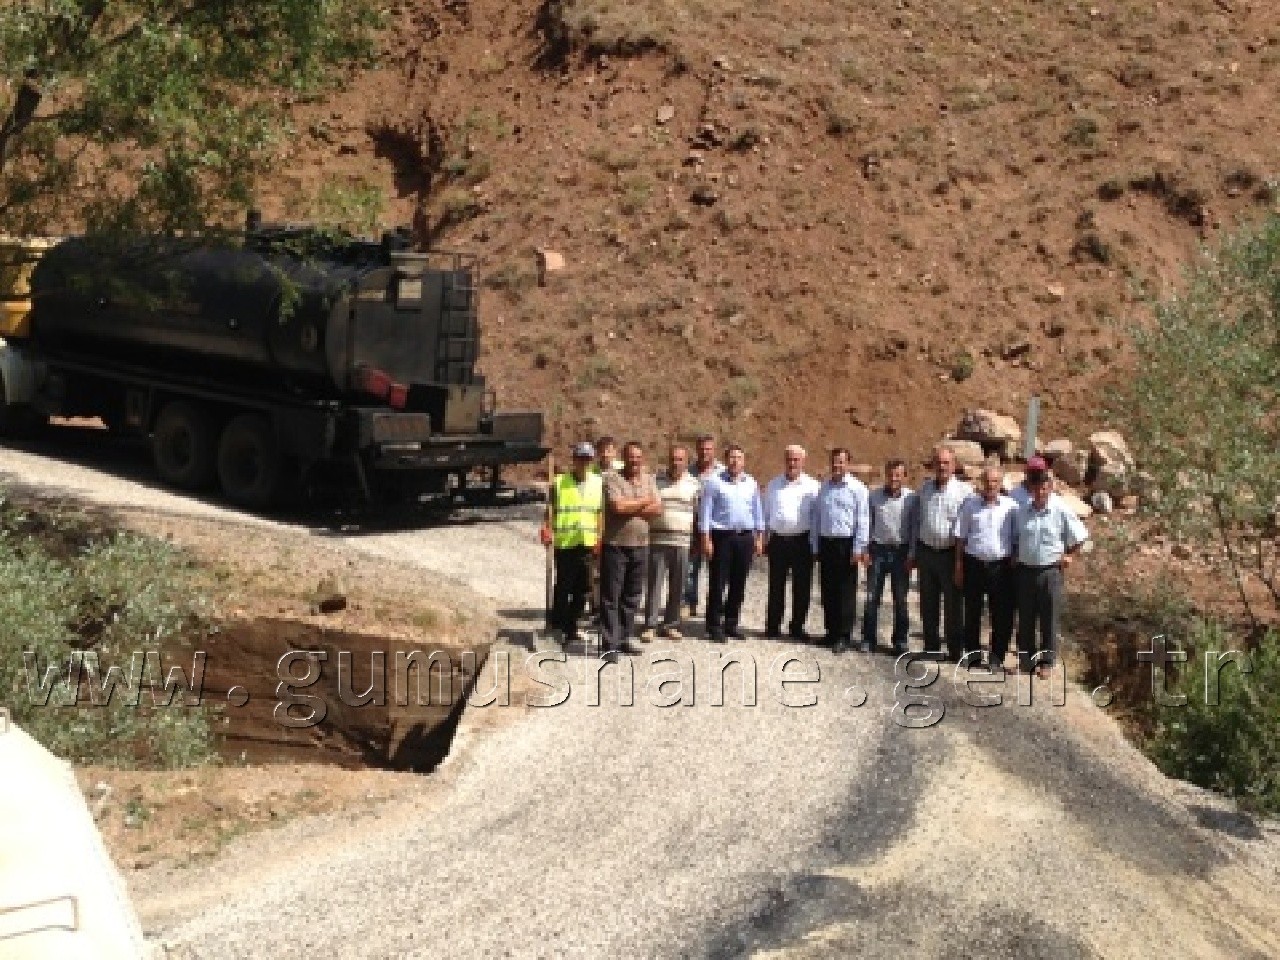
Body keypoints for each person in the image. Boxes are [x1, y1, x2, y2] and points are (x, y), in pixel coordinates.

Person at [1013, 462, 1089, 679]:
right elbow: (1017, 537)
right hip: (1025, 570)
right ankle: (1026, 660)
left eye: (1043, 487)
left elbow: (1080, 535)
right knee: (1026, 618)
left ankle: (1046, 663)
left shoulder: (1060, 509)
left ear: (1050, 487)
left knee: (1049, 618)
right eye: (1035, 488)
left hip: (1050, 572)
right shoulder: (1023, 510)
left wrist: (1070, 555)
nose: (1039, 492)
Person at [910, 445, 973, 660]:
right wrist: (914, 553)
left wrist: (960, 562)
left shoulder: (964, 493)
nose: (942, 467)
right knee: (928, 602)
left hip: (950, 554)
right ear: (933, 465)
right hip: (927, 552)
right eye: (939, 463)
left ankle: (955, 651)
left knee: (953, 605)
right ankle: (932, 647)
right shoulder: (925, 489)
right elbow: (917, 522)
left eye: (946, 463)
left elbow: (967, 528)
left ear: (954, 466)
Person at [953, 465, 1019, 668]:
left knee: (1000, 614)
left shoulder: (1011, 507)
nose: (991, 485)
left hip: (1001, 567)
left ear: (1001, 483)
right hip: (974, 564)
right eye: (987, 481)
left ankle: (997, 656)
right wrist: (958, 565)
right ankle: (972, 655)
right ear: (981, 482)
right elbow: (960, 537)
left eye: (995, 482)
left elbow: (1017, 538)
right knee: (972, 612)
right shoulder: (970, 505)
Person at [600, 441, 661, 656]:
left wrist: (631, 506)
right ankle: (608, 644)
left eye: (637, 456)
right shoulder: (612, 478)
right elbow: (617, 507)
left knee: (632, 596)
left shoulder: (649, 479)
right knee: (611, 598)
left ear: (642, 458)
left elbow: (658, 508)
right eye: (630, 456)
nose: (634, 460)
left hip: (641, 546)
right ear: (624, 458)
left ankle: (624, 638)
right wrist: (644, 501)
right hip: (616, 546)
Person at [540, 442, 604, 646]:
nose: (583, 463)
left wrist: (599, 538)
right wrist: (547, 529)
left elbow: (600, 513)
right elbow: (551, 510)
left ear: (591, 461)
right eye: (580, 458)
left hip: (587, 542)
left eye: (587, 459)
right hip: (566, 543)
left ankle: (572, 626)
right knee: (563, 587)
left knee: (583, 588)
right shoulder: (560, 483)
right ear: (574, 460)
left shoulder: (597, 482)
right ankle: (558, 626)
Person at [698, 445, 764, 642]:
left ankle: (731, 623)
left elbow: (757, 511)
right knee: (718, 582)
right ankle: (713, 625)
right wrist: (705, 538)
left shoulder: (750, 482)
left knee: (738, 583)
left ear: (744, 461)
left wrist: (759, 537)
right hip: (722, 537)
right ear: (726, 460)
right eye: (732, 457)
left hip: (744, 538)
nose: (735, 461)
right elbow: (705, 512)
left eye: (739, 457)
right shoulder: (714, 482)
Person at [811, 448, 870, 653]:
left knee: (845, 591)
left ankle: (844, 635)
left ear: (848, 464)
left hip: (846, 544)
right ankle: (831, 632)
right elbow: (817, 517)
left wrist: (858, 547)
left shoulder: (857, 488)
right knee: (828, 589)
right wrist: (815, 545)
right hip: (827, 543)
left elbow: (863, 520)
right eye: (834, 462)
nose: (837, 466)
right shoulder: (824, 487)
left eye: (841, 462)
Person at [643, 445, 701, 640]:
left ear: (686, 462)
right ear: (668, 460)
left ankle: (670, 624)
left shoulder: (695, 484)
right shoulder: (655, 481)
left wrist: (697, 540)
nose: (676, 463)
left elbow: (697, 513)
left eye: (680, 460)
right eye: (673, 459)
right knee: (654, 584)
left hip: (682, 542)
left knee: (678, 586)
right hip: (657, 539)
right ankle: (650, 625)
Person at [763, 445, 820, 640]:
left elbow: (816, 518)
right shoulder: (773, 485)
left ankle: (797, 627)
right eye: (789, 459)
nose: (792, 463)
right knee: (776, 586)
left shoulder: (813, 486)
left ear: (803, 462)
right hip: (778, 541)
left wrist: (814, 545)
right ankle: (772, 627)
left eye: (796, 460)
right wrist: (763, 538)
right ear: (784, 460)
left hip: (802, 542)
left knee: (802, 587)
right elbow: (766, 514)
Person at [863, 459, 917, 655]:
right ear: (885, 475)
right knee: (871, 597)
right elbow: (868, 523)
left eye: (898, 475)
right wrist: (866, 549)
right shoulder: (874, 496)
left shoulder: (912, 498)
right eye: (891, 474)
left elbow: (914, 528)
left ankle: (900, 640)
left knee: (901, 599)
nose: (894, 479)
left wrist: (912, 554)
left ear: (904, 477)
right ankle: (868, 639)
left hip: (901, 552)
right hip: (878, 550)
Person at [683, 434, 722, 617]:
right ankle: (688, 602)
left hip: (716, 527)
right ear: (696, 450)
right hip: (692, 524)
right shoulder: (688, 471)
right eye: (701, 449)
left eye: (708, 449)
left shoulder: (722, 471)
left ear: (714, 450)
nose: (704, 452)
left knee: (717, 568)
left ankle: (715, 604)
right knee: (690, 566)